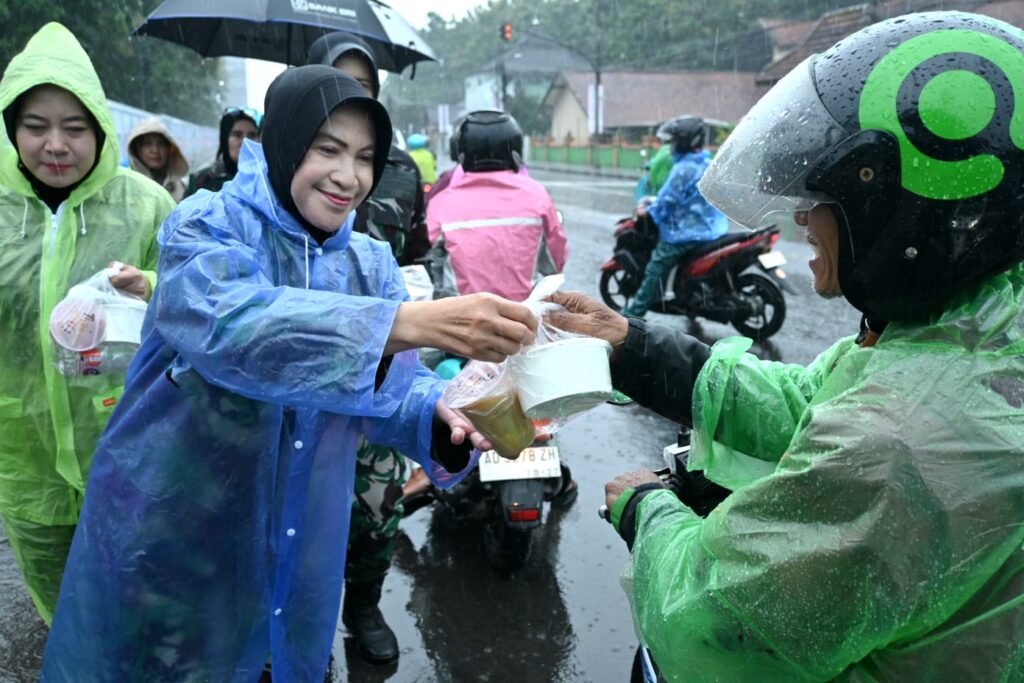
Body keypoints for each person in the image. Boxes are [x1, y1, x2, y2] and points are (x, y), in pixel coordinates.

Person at [547, 11, 1024, 681]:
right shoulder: (969, 329)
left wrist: (645, 507)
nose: (803, 216)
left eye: (824, 196)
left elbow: (705, 622)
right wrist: (629, 342)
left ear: (900, 206)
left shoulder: (897, 442)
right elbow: (808, 399)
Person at [41, 66, 537, 682]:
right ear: (281, 143)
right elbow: (232, 328)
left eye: (364, 157)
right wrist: (404, 323)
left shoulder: (369, 261)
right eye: (326, 148)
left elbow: (384, 392)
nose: (347, 176)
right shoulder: (206, 226)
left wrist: (440, 412)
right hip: (178, 530)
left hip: (301, 540)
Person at [0, 22, 174, 626]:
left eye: (75, 128)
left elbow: (197, 297)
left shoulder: (146, 204)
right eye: (35, 126)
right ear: (8, 127)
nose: (55, 145)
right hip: (24, 453)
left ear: (101, 127)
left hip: (128, 445)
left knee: (134, 585)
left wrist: (148, 287)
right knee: (59, 600)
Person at [306, 30, 432, 665]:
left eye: (366, 87)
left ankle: (363, 604)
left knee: (377, 499)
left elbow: (420, 250)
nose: (347, 175)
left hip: (378, 367)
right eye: (340, 83)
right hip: (298, 373)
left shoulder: (404, 169)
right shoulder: (277, 176)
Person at [425, 109, 576, 504]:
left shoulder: (442, 202)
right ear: (516, 151)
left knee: (431, 395)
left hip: (461, 335)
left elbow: (429, 266)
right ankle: (557, 472)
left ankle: (437, 471)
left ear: (461, 152)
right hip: (522, 331)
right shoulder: (537, 195)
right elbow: (555, 262)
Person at [620, 116, 728, 318]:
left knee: (656, 267)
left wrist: (648, 211)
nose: (670, 146)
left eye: (673, 141)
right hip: (713, 228)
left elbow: (667, 201)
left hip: (686, 232)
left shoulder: (682, 169)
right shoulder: (707, 162)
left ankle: (634, 314)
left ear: (684, 142)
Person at [186, 106, 261, 195]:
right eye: (237, 135)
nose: (245, 142)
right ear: (225, 140)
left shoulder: (266, 180)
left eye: (252, 135)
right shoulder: (201, 180)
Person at [126, 117, 189, 202]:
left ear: (169, 149)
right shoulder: (127, 185)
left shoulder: (181, 188)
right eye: (147, 143)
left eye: (161, 144)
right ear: (137, 149)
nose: (155, 150)